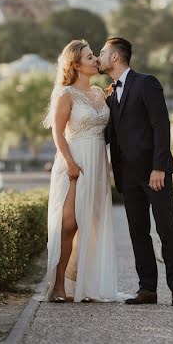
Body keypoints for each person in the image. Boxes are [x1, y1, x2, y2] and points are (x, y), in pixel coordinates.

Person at [99, 37, 173, 307]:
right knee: (138, 232)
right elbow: (108, 135)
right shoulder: (110, 94)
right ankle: (147, 289)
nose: (98, 57)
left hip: (154, 173)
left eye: (101, 53)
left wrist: (159, 167)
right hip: (128, 176)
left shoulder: (146, 82)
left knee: (166, 230)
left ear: (115, 57)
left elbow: (161, 125)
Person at [40, 40, 119, 303]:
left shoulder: (99, 93)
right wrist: (70, 163)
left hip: (97, 161)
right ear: (75, 65)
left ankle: (84, 284)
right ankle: (59, 285)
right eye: (89, 57)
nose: (96, 59)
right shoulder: (65, 94)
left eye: (95, 55)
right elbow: (57, 133)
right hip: (74, 160)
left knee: (92, 225)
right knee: (68, 224)